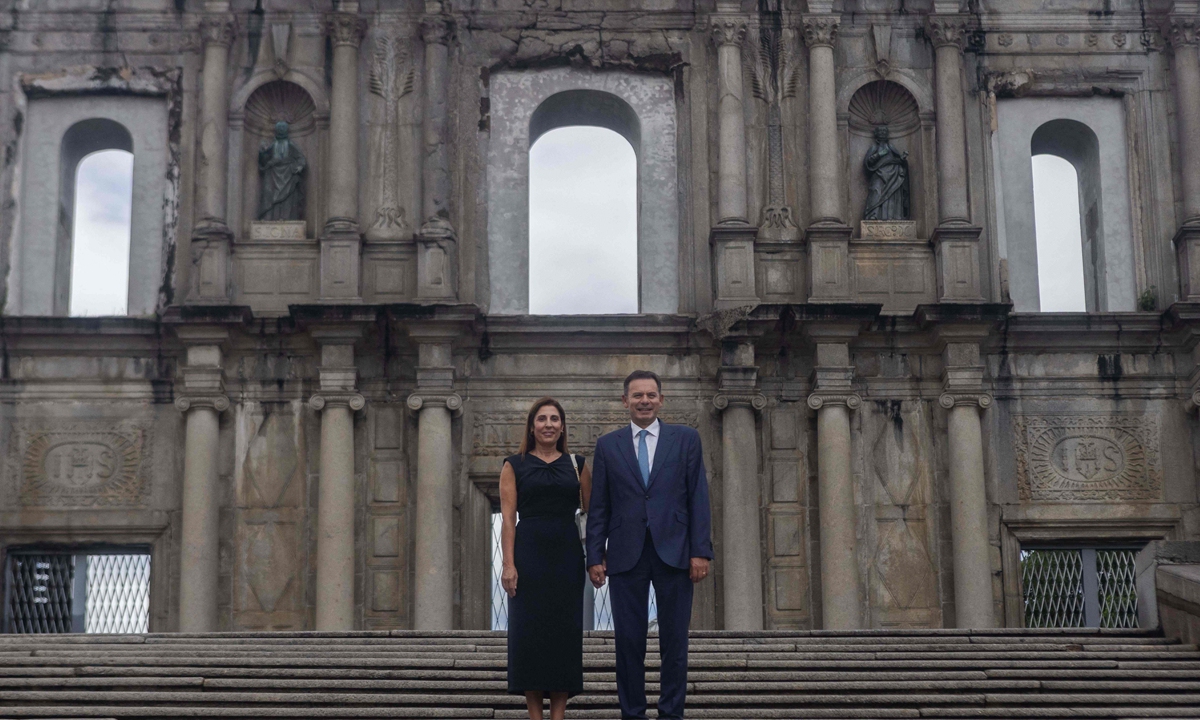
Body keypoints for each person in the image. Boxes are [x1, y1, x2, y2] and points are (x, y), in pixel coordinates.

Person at [586, 370, 714, 720]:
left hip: (674, 552)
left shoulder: (686, 439)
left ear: (661, 399)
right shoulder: (608, 445)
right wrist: (594, 555)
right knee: (628, 642)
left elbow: (697, 498)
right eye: (637, 395)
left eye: (651, 395)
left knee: (675, 642)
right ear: (625, 401)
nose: (645, 401)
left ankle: (671, 713)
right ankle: (633, 713)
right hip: (626, 556)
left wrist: (700, 550)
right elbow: (600, 506)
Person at [500, 397, 591, 720]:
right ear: (532, 425)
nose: (548, 424)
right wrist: (508, 565)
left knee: (563, 634)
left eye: (554, 419)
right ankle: (535, 716)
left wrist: (595, 557)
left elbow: (592, 515)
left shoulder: (577, 464)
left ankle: (559, 716)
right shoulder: (514, 464)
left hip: (566, 556)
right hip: (529, 556)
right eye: (542, 419)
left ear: (563, 426)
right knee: (530, 635)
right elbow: (508, 519)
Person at [863, 124, 910, 221]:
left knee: (892, 194)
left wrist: (902, 158)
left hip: (893, 174)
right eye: (880, 131)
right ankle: (873, 214)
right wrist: (879, 154)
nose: (882, 133)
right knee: (875, 192)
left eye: (884, 131)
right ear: (876, 134)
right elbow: (868, 162)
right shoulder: (874, 147)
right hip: (879, 174)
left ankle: (892, 216)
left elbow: (897, 160)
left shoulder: (891, 147)